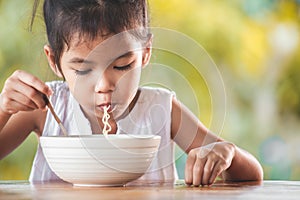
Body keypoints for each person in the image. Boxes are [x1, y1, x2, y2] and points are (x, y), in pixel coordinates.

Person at [0, 0, 263, 186]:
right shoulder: (47, 107)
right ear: (54, 61)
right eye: (82, 69)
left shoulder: (161, 110)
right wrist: (3, 110)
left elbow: (252, 174)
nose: (104, 85)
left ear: (145, 53)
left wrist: (226, 153)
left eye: (122, 65)